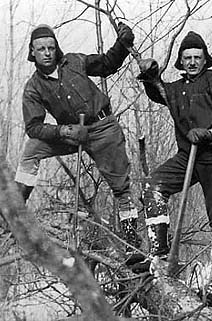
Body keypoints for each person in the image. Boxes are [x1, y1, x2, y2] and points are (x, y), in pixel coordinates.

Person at [135, 31, 212, 306]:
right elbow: (159, 92)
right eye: (187, 58)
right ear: (181, 62)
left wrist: (211, 134)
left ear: (204, 59)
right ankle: (160, 257)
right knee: (153, 187)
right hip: (189, 158)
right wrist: (150, 73)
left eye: (197, 57)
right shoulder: (177, 89)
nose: (193, 62)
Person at [15, 23, 141, 253]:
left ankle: (132, 243)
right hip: (73, 133)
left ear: (56, 48)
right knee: (33, 148)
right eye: (41, 49)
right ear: (32, 52)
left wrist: (122, 44)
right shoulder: (33, 87)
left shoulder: (74, 61)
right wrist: (63, 131)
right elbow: (33, 127)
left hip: (103, 129)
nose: (47, 53)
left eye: (51, 48)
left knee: (121, 187)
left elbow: (107, 64)